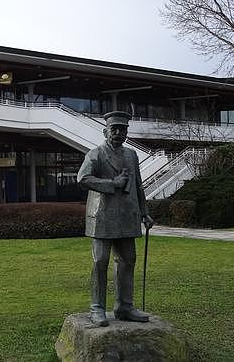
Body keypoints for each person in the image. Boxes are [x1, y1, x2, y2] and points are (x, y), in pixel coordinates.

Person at [77, 111, 154, 326]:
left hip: (127, 216)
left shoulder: (131, 155)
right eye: (115, 129)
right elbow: (83, 179)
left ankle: (124, 306)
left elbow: (138, 185)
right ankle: (97, 308)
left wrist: (144, 212)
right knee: (100, 261)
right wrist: (112, 184)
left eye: (123, 129)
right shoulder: (96, 154)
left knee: (128, 260)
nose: (119, 133)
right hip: (103, 216)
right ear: (105, 131)